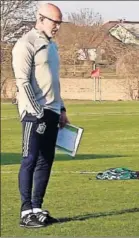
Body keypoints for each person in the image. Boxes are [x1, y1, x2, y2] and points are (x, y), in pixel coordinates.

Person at [12, 3, 69, 228]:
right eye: (55, 22)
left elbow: (53, 82)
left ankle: (37, 208)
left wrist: (61, 109)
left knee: (46, 161)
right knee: (30, 159)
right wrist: (37, 112)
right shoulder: (26, 44)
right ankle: (26, 211)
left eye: (59, 23)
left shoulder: (51, 46)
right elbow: (22, 81)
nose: (57, 27)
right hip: (34, 113)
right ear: (40, 18)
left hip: (53, 111)